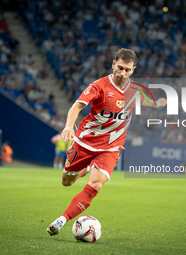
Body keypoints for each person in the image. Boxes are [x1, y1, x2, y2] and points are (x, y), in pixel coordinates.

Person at [46, 48, 167, 236]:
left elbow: (146, 101)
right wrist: (69, 126)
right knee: (67, 182)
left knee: (95, 185)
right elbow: (77, 105)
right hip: (85, 142)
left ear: (133, 69)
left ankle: (61, 220)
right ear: (113, 64)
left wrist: (159, 103)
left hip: (111, 147)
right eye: (119, 68)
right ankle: (85, 168)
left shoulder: (136, 89)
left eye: (127, 70)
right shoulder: (99, 86)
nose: (122, 73)